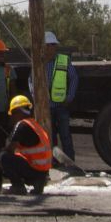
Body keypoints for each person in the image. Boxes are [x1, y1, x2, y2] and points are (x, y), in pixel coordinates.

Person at [29, 31, 78, 160]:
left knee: (65, 135)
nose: (52, 47)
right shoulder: (38, 63)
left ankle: (70, 161)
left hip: (61, 105)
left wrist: (70, 97)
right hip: (46, 108)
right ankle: (53, 162)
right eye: (49, 45)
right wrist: (35, 96)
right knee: (50, 136)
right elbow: (31, 80)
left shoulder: (63, 60)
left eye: (53, 45)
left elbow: (73, 78)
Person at [0, 95, 52, 195]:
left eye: (13, 113)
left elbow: (10, 149)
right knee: (15, 156)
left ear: (18, 112)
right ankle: (38, 183)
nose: (12, 117)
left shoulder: (21, 125)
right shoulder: (34, 124)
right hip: (43, 172)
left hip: (34, 170)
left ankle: (18, 186)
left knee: (4, 156)